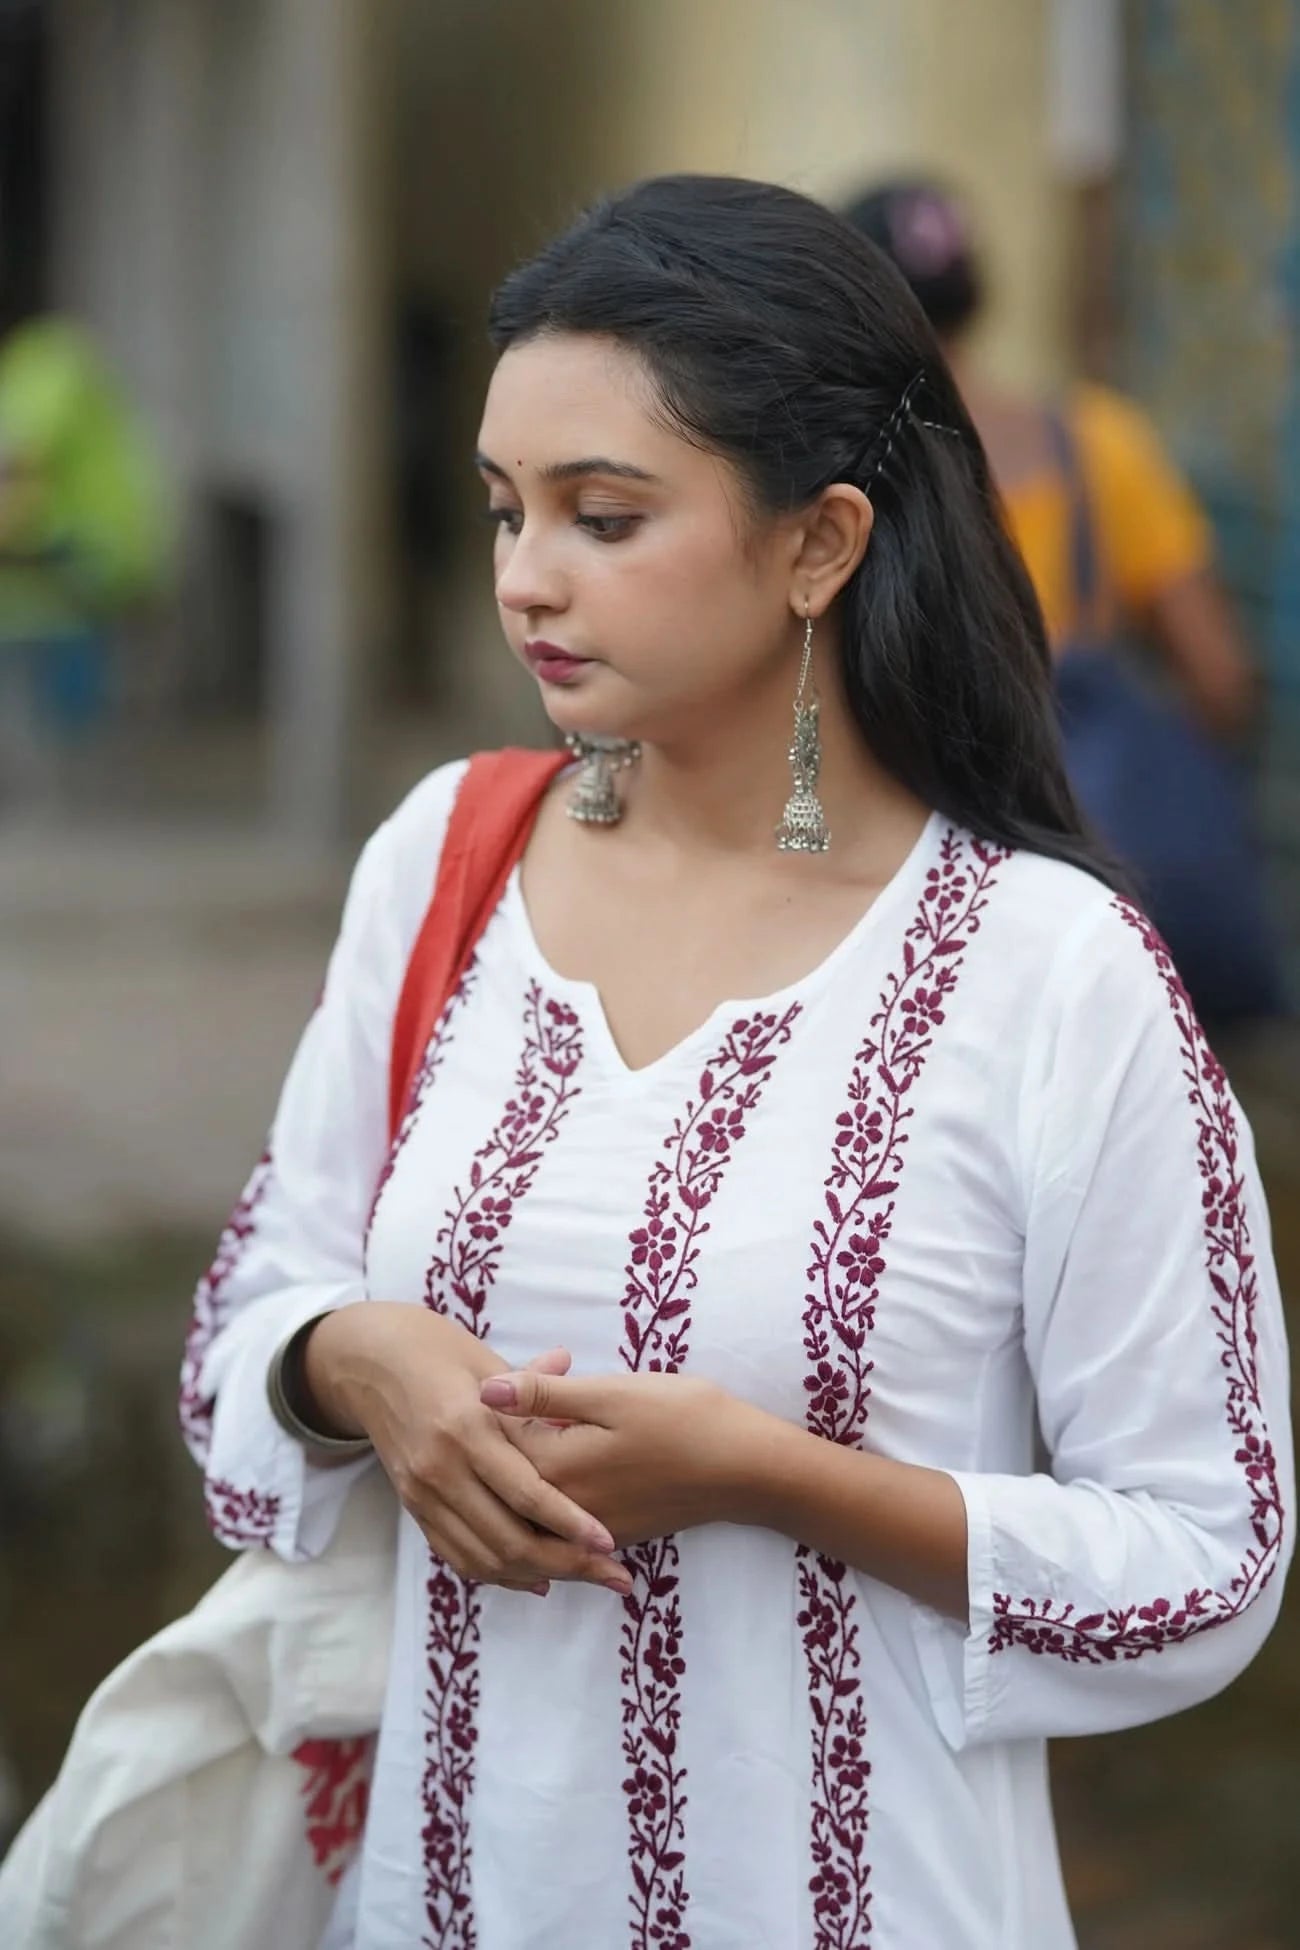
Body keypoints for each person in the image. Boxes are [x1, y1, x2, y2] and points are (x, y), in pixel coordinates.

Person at [184, 176, 1292, 1949]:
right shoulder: (444, 863)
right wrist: (349, 1359)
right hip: (445, 1900)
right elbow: (247, 1324)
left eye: (604, 516)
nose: (524, 578)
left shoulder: (1052, 975)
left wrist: (775, 1475)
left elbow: (1207, 1560)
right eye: (504, 510)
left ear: (821, 544)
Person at [842, 176, 1285, 1025]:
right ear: (979, 293)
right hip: (1094, 891)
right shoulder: (1099, 445)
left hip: (917, 918)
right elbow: (1220, 676)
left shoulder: (845, 474)